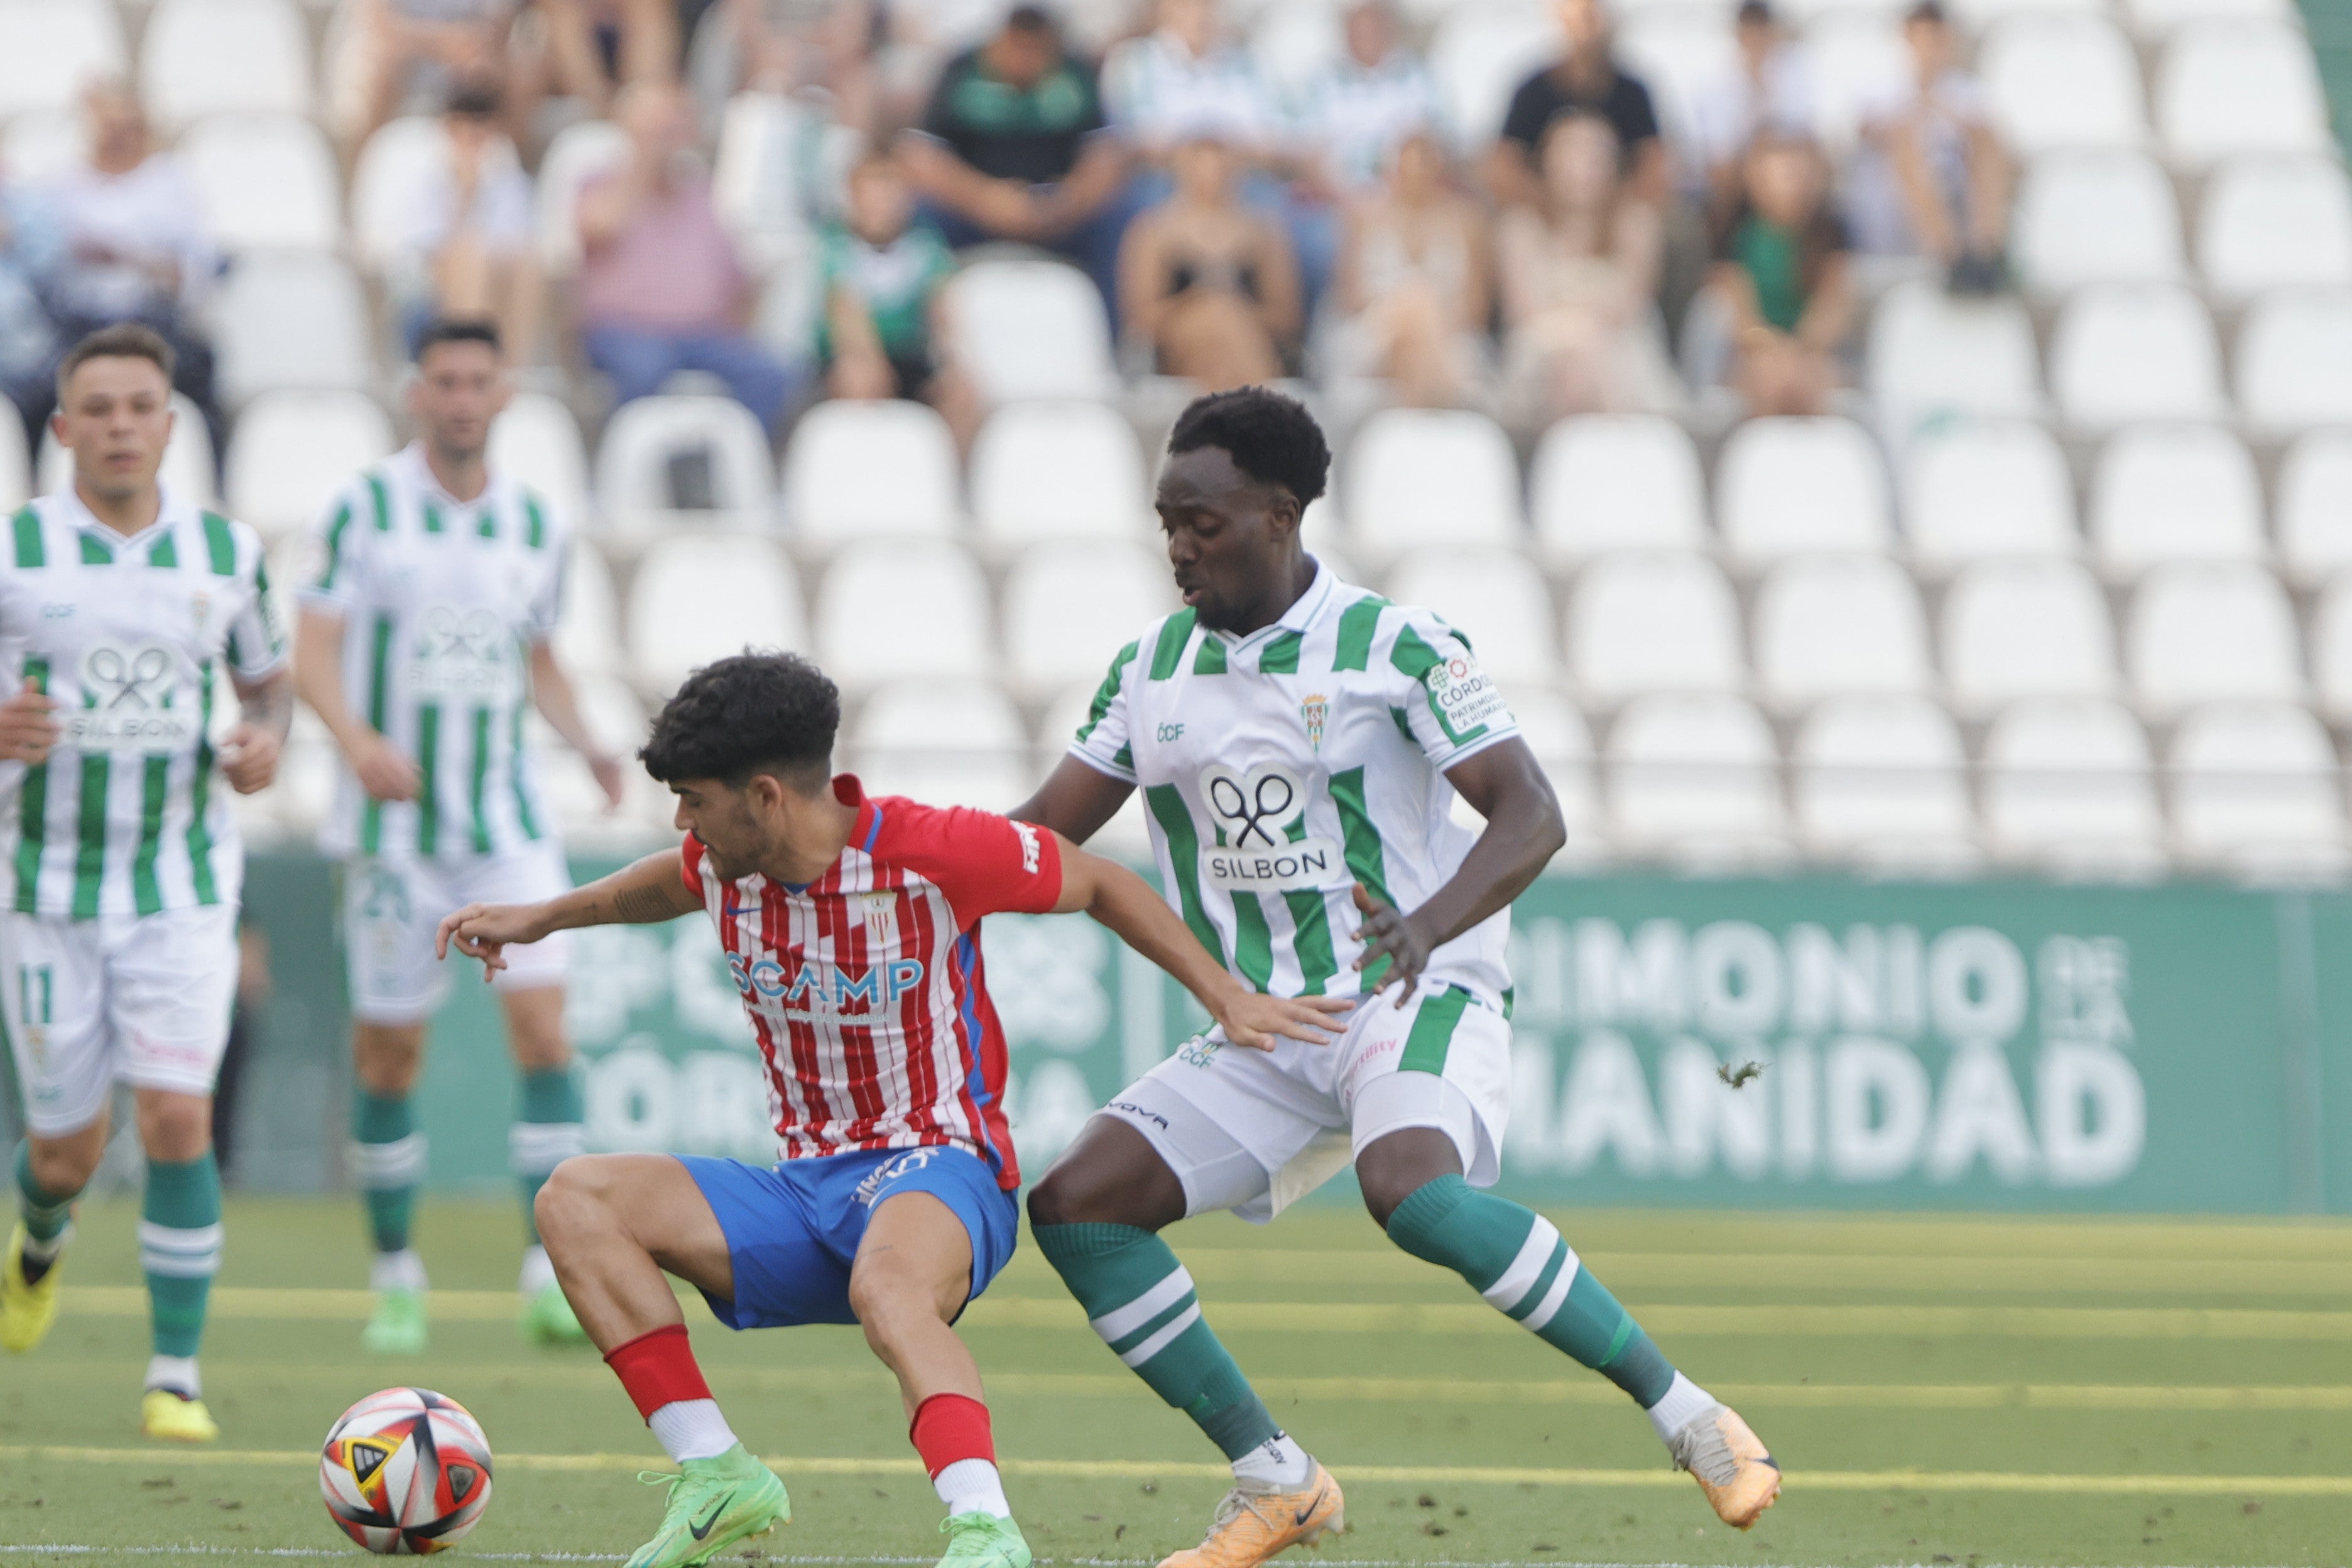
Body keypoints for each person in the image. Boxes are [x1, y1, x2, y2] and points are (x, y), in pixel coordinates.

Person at [1013, 386, 1781, 1568]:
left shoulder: (1398, 647)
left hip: (1412, 990)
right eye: (1165, 521)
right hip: (1265, 1018)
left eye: (1201, 523)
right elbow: (1043, 834)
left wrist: (1426, 926)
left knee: (1410, 1193)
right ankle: (1276, 1480)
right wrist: (892, 868)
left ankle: (1688, 1416)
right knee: (1075, 1207)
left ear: (1279, 515)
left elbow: (1531, 814)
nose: (1177, 547)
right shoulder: (1147, 670)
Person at [432, 650, 1348, 1568]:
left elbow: (1099, 880)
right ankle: (717, 1474)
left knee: (890, 1285)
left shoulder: (934, 852)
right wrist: (539, 918)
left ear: (765, 796)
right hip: (806, 1193)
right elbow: (647, 888)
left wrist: (1224, 996)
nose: (682, 823)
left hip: (944, 1167)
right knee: (578, 1200)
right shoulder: (719, 864)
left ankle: (985, 1530)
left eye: (694, 800)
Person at [292, 317, 626, 1356]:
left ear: (504, 393)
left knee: (545, 1036)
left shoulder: (534, 522)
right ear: (416, 393)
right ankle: (396, 1275)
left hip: (506, 827)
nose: (462, 397)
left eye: (480, 379)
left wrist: (592, 746)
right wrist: (354, 739)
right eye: (445, 379)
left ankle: (547, 1273)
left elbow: (537, 659)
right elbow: (314, 649)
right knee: (390, 1057)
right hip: (395, 836)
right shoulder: (365, 508)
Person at [0, 324, 291, 1442]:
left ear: (171, 425)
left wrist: (267, 743)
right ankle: (39, 1236)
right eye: (100, 409)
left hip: (182, 884)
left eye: (142, 407)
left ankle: (175, 1374)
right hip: (44, 887)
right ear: (65, 428)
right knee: (68, 1146)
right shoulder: (19, 549)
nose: (122, 426)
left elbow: (266, 689)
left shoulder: (226, 553)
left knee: (177, 1116)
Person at [577, 81, 795, 429]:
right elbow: (600, 228)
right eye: (660, 128)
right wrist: (645, 162)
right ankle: (631, 471)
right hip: (625, 332)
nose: (671, 139)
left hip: (702, 335)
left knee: (771, 374)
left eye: (677, 128)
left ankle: (734, 468)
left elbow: (738, 278)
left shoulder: (703, 193)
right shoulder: (600, 182)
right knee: (645, 368)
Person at [900, 6, 1134, 317]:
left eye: (1038, 52)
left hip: (1059, 207)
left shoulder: (1076, 72)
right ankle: (923, 339)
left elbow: (1105, 155)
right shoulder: (962, 70)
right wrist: (987, 200)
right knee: (918, 215)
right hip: (976, 206)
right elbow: (922, 156)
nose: (1027, 61)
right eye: (1019, 49)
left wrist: (1067, 202)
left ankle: (1116, 335)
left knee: (1122, 218)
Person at [41, 83, 221, 447]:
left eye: (126, 126)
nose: (116, 137)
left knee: (199, 383)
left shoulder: (172, 182)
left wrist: (128, 258)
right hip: (78, 322)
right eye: (107, 126)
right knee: (37, 389)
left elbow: (193, 272)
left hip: (151, 320)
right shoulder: (59, 185)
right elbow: (43, 271)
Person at [1495, 113, 1677, 421]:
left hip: (1620, 352)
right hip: (1540, 358)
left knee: (1586, 363)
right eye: (1570, 152)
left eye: (1594, 155)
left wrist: (1576, 333)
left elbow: (1627, 307)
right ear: (1546, 162)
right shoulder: (1519, 228)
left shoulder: (1638, 225)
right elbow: (1525, 312)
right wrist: (1576, 337)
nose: (1582, 167)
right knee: (1569, 367)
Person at [1119, 124, 1302, 392]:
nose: (1210, 171)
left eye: (1220, 160)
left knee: (1224, 333)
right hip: (1178, 347)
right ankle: (1255, 415)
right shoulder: (1153, 231)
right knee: (1214, 320)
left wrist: (1230, 307)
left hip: (1247, 336)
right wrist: (1199, 300)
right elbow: (1141, 320)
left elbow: (1286, 318)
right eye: (1199, 159)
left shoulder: (1263, 232)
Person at [1844, 0, 2010, 290]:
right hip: (1893, 212)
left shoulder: (1967, 92)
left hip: (1958, 207)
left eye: (1937, 37)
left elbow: (2000, 152)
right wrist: (1922, 111)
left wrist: (1951, 117)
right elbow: (1868, 133)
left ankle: (1985, 249)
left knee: (1986, 142)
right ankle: (1950, 256)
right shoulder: (1880, 89)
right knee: (1905, 141)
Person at [819, 154, 979, 445]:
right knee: (860, 381)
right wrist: (872, 361)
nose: (884, 208)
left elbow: (942, 313)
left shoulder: (926, 249)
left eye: (891, 197)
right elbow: (847, 316)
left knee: (962, 395)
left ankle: (947, 477)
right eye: (874, 198)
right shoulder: (834, 248)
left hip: (911, 357)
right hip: (855, 355)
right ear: (854, 201)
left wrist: (952, 366)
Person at [380, 80, 543, 362]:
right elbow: (419, 252)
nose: (473, 135)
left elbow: (516, 244)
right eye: (464, 124)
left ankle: (511, 370)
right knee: (469, 256)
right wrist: (464, 196)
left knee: (525, 262)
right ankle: (472, 366)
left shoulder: (506, 177)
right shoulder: (419, 172)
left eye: (481, 125)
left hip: (493, 287)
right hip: (423, 298)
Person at [1326, 130, 1489, 408]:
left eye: (1424, 165)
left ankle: (1421, 403)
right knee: (1413, 307)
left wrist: (1425, 313)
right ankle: (1437, 403)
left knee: (1419, 318)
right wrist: (1402, 308)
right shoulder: (1363, 217)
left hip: (1448, 333)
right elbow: (1350, 298)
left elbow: (1475, 309)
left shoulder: (1467, 221)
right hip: (1375, 330)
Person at [1709, 131, 1853, 415]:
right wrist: (1774, 351)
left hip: (1812, 357)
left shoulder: (1832, 236)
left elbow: (1831, 311)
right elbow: (1741, 319)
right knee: (1771, 382)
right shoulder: (1734, 235)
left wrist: (1797, 352)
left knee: (1807, 383)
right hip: (1749, 358)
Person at [1494, 0, 1667, 209]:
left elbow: (1654, 163)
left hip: (1617, 219)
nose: (1586, 30)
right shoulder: (1532, 91)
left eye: (1592, 17)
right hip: (1544, 219)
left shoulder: (1632, 93)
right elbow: (1503, 165)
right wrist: (1549, 207)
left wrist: (1611, 210)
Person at [1290, 0, 1440, 199]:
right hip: (1335, 201)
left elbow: (1432, 147)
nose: (1366, 38)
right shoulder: (1321, 82)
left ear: (1388, 30)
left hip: (1404, 199)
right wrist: (1344, 199)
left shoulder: (1418, 76)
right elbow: (1307, 154)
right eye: (1358, 31)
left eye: (1373, 30)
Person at [1689, 0, 1814, 232]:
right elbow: (1719, 160)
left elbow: (1804, 139)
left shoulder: (1795, 73)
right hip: (1737, 182)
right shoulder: (1716, 84)